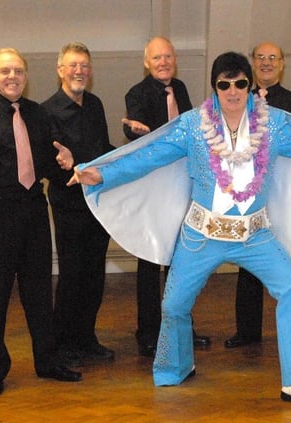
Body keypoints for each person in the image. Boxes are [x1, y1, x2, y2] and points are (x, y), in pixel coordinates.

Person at [69, 51, 291, 408]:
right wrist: (102, 174)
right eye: (224, 84)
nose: (232, 91)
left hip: (255, 235)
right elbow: (148, 155)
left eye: (240, 83)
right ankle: (176, 366)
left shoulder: (274, 124)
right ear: (214, 87)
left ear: (249, 86)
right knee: (173, 304)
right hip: (200, 235)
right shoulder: (192, 125)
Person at [0, 47, 82, 397]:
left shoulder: (38, 115)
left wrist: (67, 163)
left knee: (39, 293)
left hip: (34, 212)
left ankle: (48, 361)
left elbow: (48, 166)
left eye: (19, 71)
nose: (13, 77)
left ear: (26, 76)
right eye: (5, 71)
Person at [122, 36, 210, 357]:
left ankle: (182, 328)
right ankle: (148, 332)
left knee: (183, 263)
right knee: (149, 261)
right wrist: (135, 131)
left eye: (168, 57)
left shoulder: (182, 88)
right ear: (147, 62)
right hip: (155, 188)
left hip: (183, 186)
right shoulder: (137, 93)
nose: (163, 63)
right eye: (157, 58)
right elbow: (135, 128)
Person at [224, 41, 291, 349]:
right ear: (252, 64)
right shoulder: (235, 100)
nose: (267, 63)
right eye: (261, 58)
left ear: (282, 64)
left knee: (290, 259)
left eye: (273, 58)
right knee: (248, 262)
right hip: (249, 194)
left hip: (284, 191)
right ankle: (247, 331)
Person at [42, 42, 114, 367]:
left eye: (84, 65)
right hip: (69, 205)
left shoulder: (96, 105)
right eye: (73, 65)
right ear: (60, 70)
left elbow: (104, 149)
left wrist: (139, 150)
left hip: (97, 204)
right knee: (72, 276)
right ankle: (63, 343)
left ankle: (87, 338)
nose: (79, 71)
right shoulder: (47, 111)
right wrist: (71, 163)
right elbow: (49, 162)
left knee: (94, 275)